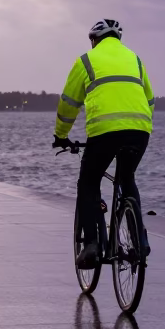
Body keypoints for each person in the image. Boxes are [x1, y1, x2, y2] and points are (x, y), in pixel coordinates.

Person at [53, 18, 154, 268]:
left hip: (105, 132)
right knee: (127, 178)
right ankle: (140, 241)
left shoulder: (86, 60)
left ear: (94, 40)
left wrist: (61, 135)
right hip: (140, 130)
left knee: (88, 182)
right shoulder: (136, 60)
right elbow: (150, 100)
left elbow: (69, 103)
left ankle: (91, 245)